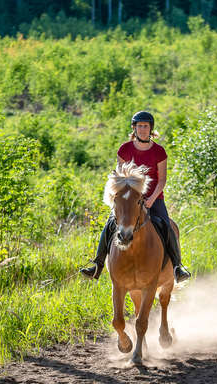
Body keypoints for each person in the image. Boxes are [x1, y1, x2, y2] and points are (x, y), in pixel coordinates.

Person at [80, 111, 191, 283]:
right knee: (109, 225)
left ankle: (177, 267)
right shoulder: (124, 149)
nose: (143, 129)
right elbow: (120, 177)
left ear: (151, 129)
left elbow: (162, 180)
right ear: (134, 128)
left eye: (146, 126)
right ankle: (97, 264)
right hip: (128, 201)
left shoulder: (159, 152)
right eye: (139, 126)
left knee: (167, 226)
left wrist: (151, 199)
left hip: (153, 198)